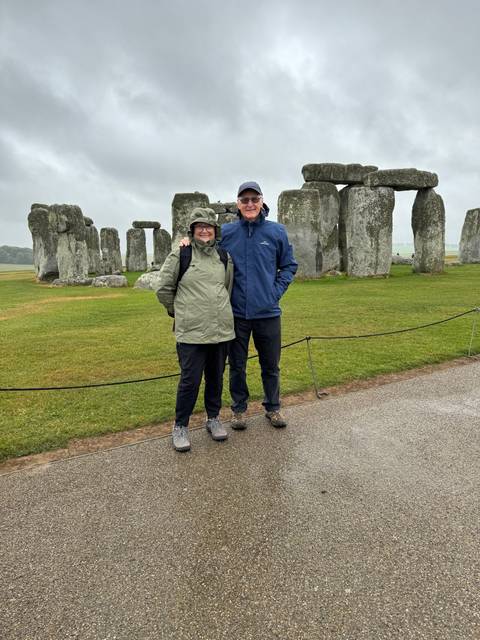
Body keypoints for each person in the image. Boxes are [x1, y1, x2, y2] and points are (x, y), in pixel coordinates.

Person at [181, 181, 297, 429]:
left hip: (268, 311)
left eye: (254, 199)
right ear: (238, 204)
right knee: (237, 365)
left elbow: (289, 266)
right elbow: (206, 247)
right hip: (235, 312)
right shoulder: (228, 232)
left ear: (262, 201)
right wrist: (187, 241)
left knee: (271, 365)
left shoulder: (277, 232)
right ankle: (239, 410)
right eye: (245, 200)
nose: (250, 204)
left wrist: (274, 292)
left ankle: (273, 407)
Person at [156, 208, 235, 452]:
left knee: (216, 378)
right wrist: (178, 312)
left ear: (215, 230)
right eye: (199, 226)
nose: (204, 230)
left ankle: (213, 418)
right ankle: (180, 425)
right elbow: (163, 289)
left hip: (221, 329)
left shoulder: (224, 256)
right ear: (191, 229)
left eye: (208, 226)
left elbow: (227, 288)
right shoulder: (181, 253)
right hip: (191, 331)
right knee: (190, 381)